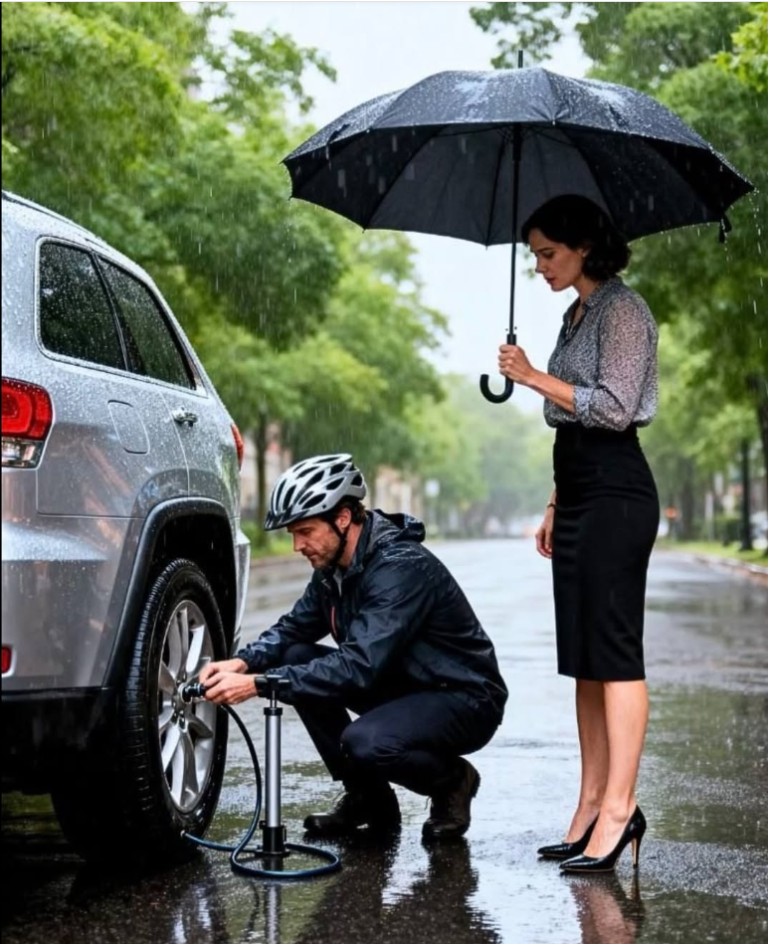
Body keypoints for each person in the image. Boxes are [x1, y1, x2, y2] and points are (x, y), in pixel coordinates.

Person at [199, 453, 508, 842]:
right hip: (402, 684)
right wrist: (242, 662)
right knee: (296, 656)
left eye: (306, 531)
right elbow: (294, 629)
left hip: (463, 697)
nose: (297, 545)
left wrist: (261, 684)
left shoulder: (400, 568)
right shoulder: (333, 570)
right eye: (292, 534)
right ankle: (369, 799)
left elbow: (358, 666)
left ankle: (451, 780)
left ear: (342, 517)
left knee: (365, 742)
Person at [497, 195, 659, 873]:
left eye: (548, 252)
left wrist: (533, 375)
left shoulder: (624, 310)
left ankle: (621, 808)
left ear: (585, 247)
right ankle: (593, 801)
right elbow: (571, 420)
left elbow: (615, 409)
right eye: (533, 254)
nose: (539, 265)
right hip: (582, 492)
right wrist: (556, 502)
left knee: (615, 653)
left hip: (620, 493)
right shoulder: (577, 313)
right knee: (586, 659)